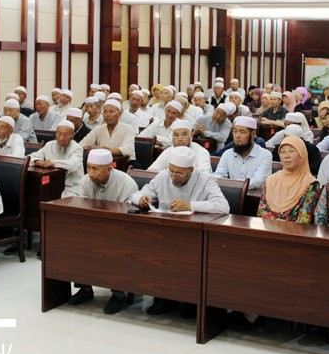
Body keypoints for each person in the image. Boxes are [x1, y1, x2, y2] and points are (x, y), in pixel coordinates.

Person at [130, 146, 229, 316]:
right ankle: (163, 297)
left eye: (179, 174)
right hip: (165, 233)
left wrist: (190, 205)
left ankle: (189, 300)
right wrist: (141, 199)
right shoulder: (163, 176)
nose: (174, 177)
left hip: (194, 236)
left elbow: (223, 206)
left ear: (191, 170)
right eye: (172, 171)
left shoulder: (205, 179)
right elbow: (136, 194)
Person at [68, 149, 140, 314]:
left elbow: (129, 217)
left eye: (95, 169)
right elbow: (83, 208)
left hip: (121, 231)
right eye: (88, 167)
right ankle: (85, 288)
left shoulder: (126, 183)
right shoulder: (86, 181)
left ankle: (118, 294)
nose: (90, 173)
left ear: (109, 168)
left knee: (116, 247)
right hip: (94, 228)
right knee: (77, 241)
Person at [257, 135, 320, 223]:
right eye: (282, 152)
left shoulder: (311, 184)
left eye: (292, 151)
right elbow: (261, 211)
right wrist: (276, 224)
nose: (286, 156)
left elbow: (304, 219)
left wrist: (283, 226)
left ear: (302, 154)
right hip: (268, 228)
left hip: (294, 231)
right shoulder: (270, 180)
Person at [214, 116, 272, 190]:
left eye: (242, 132)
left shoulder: (265, 155)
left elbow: (258, 182)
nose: (237, 136)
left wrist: (230, 183)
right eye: (235, 131)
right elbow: (218, 176)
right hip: (231, 194)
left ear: (253, 134)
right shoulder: (227, 154)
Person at [29, 120, 84, 197]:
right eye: (59, 134)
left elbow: (72, 165)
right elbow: (30, 157)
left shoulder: (77, 148)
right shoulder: (49, 145)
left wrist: (52, 163)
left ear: (72, 135)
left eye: (65, 135)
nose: (61, 138)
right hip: (52, 185)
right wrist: (38, 162)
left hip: (71, 188)